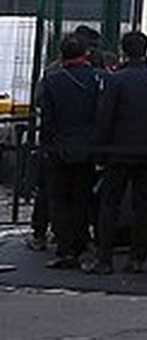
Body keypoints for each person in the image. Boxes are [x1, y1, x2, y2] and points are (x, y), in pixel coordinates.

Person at [91, 31, 147, 274]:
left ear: (123, 51)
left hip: (118, 151)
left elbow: (105, 118)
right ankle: (138, 257)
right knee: (143, 206)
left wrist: (99, 152)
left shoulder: (115, 80)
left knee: (110, 204)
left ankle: (104, 257)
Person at [36, 33, 103, 270]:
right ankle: (82, 242)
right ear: (86, 54)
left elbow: (47, 117)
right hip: (89, 147)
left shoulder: (52, 80)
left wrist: (46, 145)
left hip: (60, 147)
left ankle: (65, 248)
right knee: (82, 197)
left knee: (59, 199)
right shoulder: (98, 78)